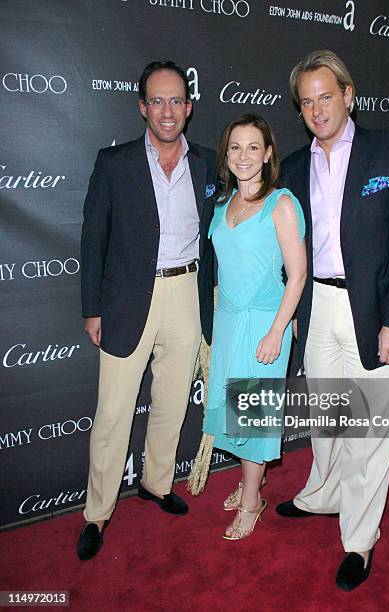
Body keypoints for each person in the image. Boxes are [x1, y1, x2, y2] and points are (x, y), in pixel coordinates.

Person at [276, 50, 389, 590]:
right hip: (317, 307)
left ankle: (359, 540)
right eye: (307, 101)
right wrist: (295, 312)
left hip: (375, 312)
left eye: (326, 96)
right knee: (329, 419)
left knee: (371, 432)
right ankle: (324, 495)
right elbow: (289, 248)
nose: (317, 109)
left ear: (348, 95)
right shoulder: (293, 166)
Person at [77, 61, 216, 560]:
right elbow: (93, 240)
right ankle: (96, 512)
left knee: (173, 401)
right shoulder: (114, 164)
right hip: (126, 300)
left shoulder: (205, 163)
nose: (167, 110)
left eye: (176, 100)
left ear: (189, 107)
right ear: (141, 107)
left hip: (186, 292)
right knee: (113, 413)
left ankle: (157, 484)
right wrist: (93, 308)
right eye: (156, 101)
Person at [203, 114, 306, 540]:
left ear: (267, 155)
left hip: (265, 325)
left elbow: (297, 274)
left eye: (252, 147)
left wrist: (277, 331)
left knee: (252, 418)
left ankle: (251, 502)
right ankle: (253, 480)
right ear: (226, 156)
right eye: (235, 147)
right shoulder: (223, 204)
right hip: (228, 324)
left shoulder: (281, 203)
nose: (243, 156)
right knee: (237, 414)